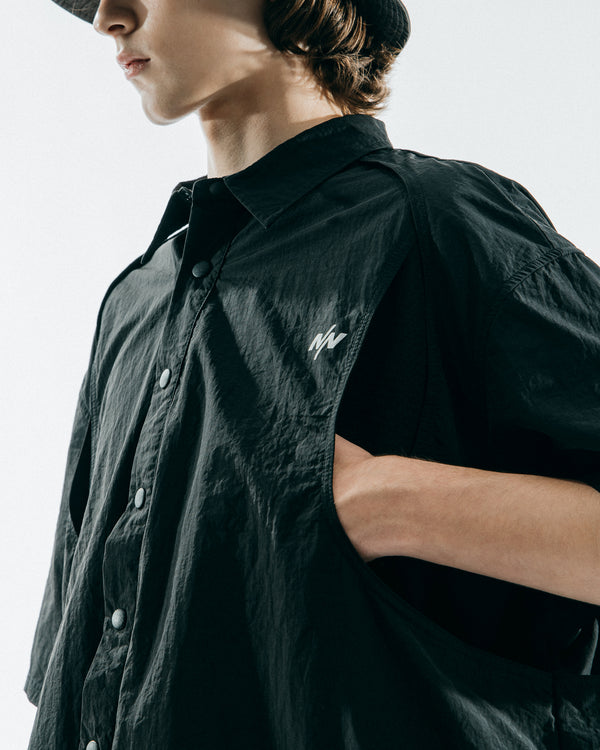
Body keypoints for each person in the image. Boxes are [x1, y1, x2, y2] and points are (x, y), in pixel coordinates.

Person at [25, 0, 600, 748]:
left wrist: (385, 500)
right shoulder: (139, 297)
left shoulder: (442, 223)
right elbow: (72, 668)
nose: (108, 16)